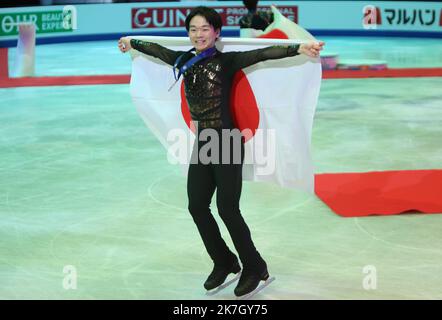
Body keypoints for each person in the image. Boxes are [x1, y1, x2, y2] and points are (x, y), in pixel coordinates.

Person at [118, 6, 324, 298]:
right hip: (203, 143)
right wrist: (131, 42)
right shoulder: (183, 60)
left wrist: (300, 48)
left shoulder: (227, 62)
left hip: (227, 141)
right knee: (197, 206)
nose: (198, 34)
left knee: (228, 209)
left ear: (216, 33)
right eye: (193, 29)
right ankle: (225, 261)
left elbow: (264, 53)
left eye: (204, 29)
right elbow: (157, 49)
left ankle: (255, 266)